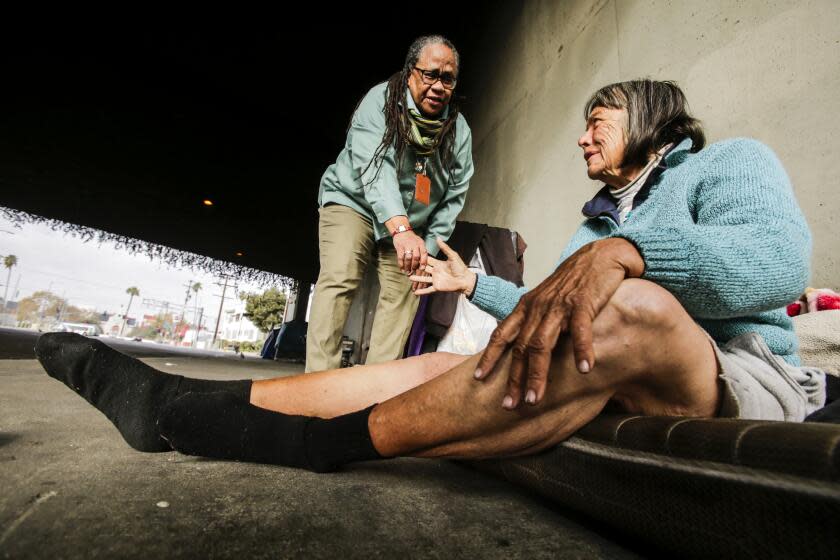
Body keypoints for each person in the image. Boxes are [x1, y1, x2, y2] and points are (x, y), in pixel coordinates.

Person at [36, 79, 825, 474]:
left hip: (737, 372)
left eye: (599, 119)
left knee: (641, 307)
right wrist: (469, 287)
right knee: (441, 363)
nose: (584, 138)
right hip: (609, 366)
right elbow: (550, 316)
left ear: (650, 117)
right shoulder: (594, 224)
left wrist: (629, 255)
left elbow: (776, 264)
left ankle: (325, 446)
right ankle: (172, 406)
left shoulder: (728, 164)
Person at [306, 35, 474, 372]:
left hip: (412, 226)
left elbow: (453, 199)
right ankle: (317, 384)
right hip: (354, 202)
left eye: (447, 78)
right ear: (411, 72)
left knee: (404, 294)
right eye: (430, 74)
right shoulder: (380, 102)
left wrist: (424, 251)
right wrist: (399, 228)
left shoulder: (459, 133)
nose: (438, 85)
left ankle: (370, 393)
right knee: (340, 278)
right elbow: (375, 168)